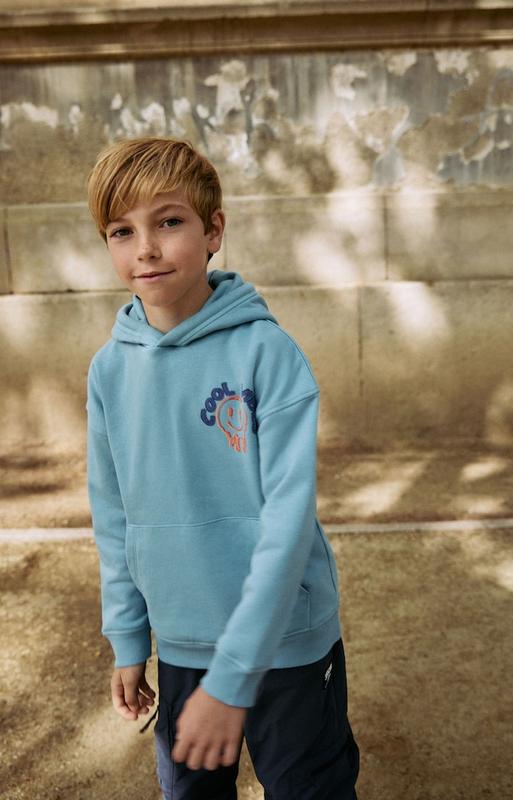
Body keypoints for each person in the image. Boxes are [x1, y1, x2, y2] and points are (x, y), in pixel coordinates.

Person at [85, 136, 360, 799]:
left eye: (168, 222)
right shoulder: (109, 370)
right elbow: (113, 515)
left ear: (213, 231)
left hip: (285, 644)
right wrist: (129, 638)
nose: (145, 248)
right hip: (184, 645)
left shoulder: (268, 354)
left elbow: (287, 524)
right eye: (122, 231)